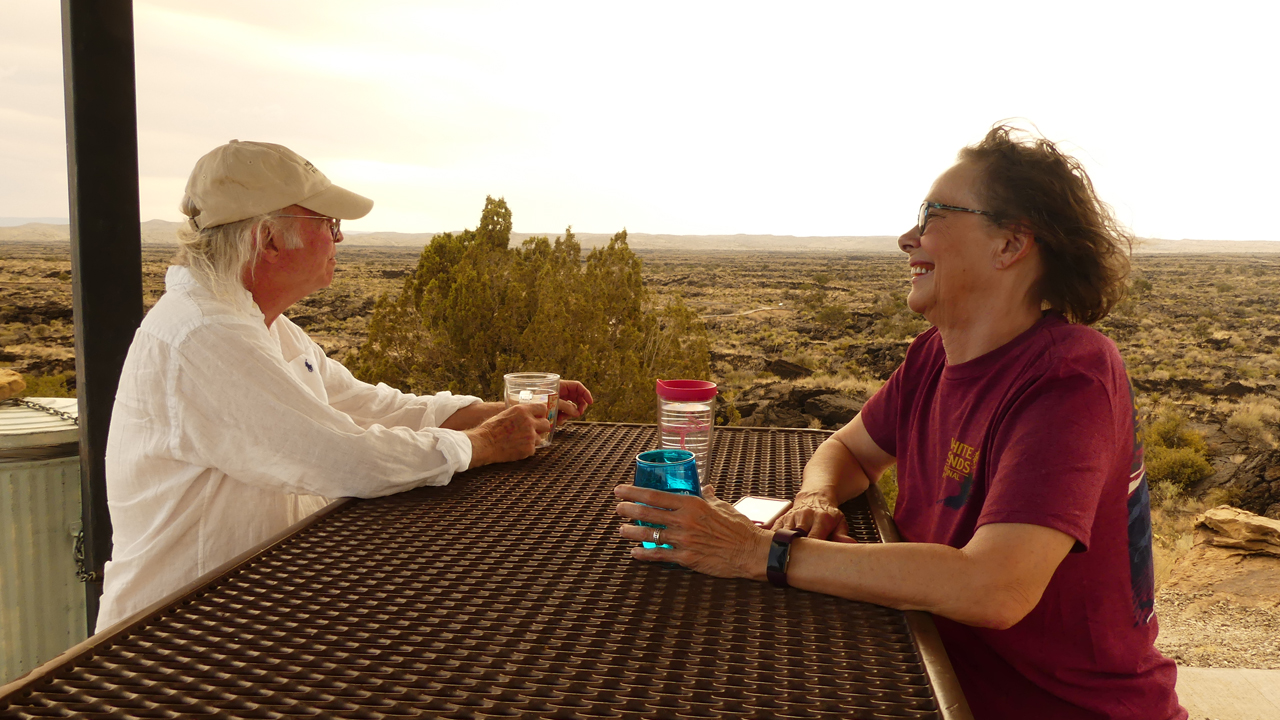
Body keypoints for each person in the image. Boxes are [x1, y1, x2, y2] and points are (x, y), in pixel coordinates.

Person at [615, 126, 1185, 719]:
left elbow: (996, 587)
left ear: (1010, 244)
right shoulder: (935, 355)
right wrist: (816, 497)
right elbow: (849, 452)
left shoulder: (1071, 376)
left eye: (933, 215)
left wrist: (760, 551)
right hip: (926, 671)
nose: (907, 237)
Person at [99, 140, 593, 631]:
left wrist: (492, 412)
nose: (340, 239)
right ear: (269, 240)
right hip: (176, 639)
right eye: (328, 224)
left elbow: (367, 405)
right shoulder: (205, 335)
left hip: (245, 610)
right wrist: (481, 445)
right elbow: (342, 457)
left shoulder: (255, 323)